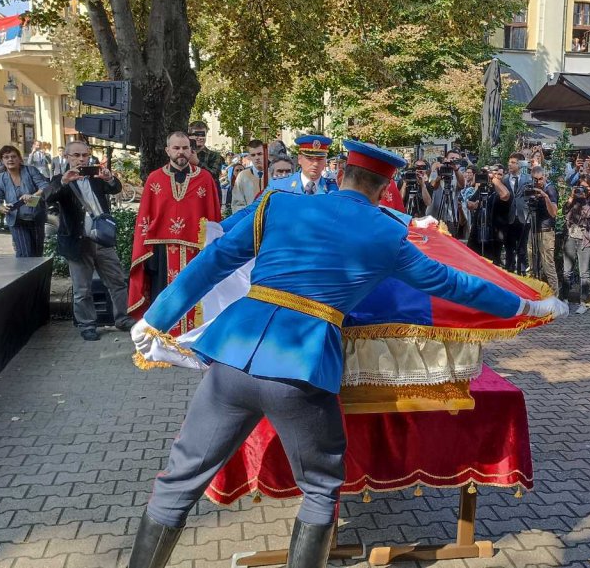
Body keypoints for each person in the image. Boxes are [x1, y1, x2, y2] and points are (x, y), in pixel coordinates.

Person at [125, 139, 567, 568]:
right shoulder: (387, 234)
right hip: (300, 365)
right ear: (383, 189)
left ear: (340, 176)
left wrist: (155, 319)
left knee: (178, 480)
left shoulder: (278, 205)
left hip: (231, 358)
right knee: (320, 488)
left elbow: (214, 260)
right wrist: (526, 305)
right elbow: (455, 284)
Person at [128, 132, 222, 334]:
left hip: (196, 250)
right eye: (176, 148)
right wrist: (145, 249)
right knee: (163, 293)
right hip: (162, 250)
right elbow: (145, 216)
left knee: (196, 294)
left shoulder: (205, 178)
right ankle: (163, 340)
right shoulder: (154, 178)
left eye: (185, 148)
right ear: (168, 150)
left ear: (191, 150)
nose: (181, 152)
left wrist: (213, 247)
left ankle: (193, 338)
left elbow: (213, 216)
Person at [43, 141, 135, 341]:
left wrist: (110, 179)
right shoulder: (60, 179)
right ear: (67, 157)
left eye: (85, 155)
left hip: (102, 239)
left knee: (118, 282)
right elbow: (47, 197)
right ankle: (87, 324)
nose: (81, 159)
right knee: (82, 289)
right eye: (76, 155)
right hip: (78, 241)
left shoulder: (95, 177)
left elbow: (115, 188)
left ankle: (122, 319)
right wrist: (63, 182)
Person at [0, 145, 50, 257]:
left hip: (36, 218)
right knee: (24, 254)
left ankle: (36, 269)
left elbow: (45, 186)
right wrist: (2, 208)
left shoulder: (31, 171)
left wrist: (33, 195)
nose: (10, 159)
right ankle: (24, 268)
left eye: (13, 156)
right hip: (16, 221)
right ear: (2, 161)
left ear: (19, 158)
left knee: (37, 254)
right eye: (6, 157)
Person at [561, 174, 590, 314]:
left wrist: (583, 200)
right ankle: (564, 300)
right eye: (580, 187)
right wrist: (572, 198)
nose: (582, 190)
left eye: (585, 187)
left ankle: (583, 302)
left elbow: (588, 214)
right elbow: (564, 211)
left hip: (585, 239)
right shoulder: (575, 198)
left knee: (584, 272)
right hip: (571, 236)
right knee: (567, 271)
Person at [466, 165, 510, 265]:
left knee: (492, 262)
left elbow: (505, 195)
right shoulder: (484, 187)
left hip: (494, 232)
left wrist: (493, 178)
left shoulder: (503, 188)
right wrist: (473, 204)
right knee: (473, 258)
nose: (496, 176)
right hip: (478, 229)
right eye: (493, 173)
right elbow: (469, 203)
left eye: (499, 174)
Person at [526, 165, 560, 294]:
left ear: (545, 177)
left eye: (540, 179)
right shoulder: (531, 188)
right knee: (532, 265)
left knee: (548, 266)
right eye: (535, 180)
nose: (538, 182)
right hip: (533, 229)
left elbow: (554, 213)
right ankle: (534, 294)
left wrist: (545, 196)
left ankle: (555, 297)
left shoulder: (550, 189)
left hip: (546, 231)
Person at [269, 135, 337, 195]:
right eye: (310, 158)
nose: (315, 164)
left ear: (325, 160)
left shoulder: (334, 189)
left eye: (320, 159)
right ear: (300, 159)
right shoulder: (278, 186)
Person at [500, 153, 531, 273]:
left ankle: (522, 272)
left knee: (522, 248)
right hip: (509, 217)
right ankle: (509, 271)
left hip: (524, 217)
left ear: (520, 164)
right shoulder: (504, 179)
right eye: (509, 162)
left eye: (513, 162)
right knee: (509, 248)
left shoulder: (528, 179)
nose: (510, 164)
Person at [188, 121, 224, 206]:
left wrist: (197, 162)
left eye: (203, 134)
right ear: (190, 136)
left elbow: (214, 176)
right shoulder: (184, 155)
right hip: (189, 197)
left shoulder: (215, 155)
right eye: (197, 134)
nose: (200, 138)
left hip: (208, 197)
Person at [230, 141, 265, 212]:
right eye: (253, 155)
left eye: (260, 154)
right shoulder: (242, 176)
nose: (257, 157)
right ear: (249, 157)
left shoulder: (273, 175)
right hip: (249, 217)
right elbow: (237, 204)